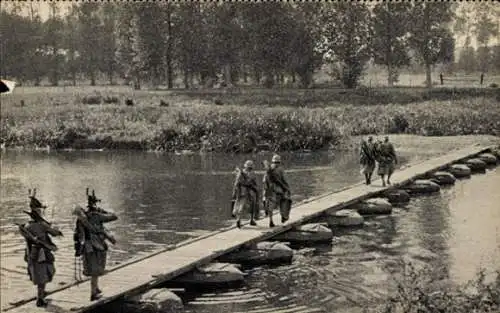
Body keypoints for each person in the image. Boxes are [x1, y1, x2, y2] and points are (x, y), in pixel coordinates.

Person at [20, 189, 62, 307]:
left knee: (40, 274)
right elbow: (54, 233)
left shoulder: (27, 225)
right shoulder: (41, 224)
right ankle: (40, 299)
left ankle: (41, 294)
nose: (41, 212)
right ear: (37, 212)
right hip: (41, 253)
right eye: (40, 211)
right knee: (43, 275)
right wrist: (56, 230)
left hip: (31, 253)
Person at [73, 189, 117, 301]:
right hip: (96, 246)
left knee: (93, 269)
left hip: (86, 247)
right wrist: (102, 210)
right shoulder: (97, 215)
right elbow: (114, 216)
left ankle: (96, 289)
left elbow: (77, 233)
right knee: (95, 270)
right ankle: (93, 294)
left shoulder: (81, 218)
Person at [263, 154, 291, 228]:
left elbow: (264, 180)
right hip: (279, 190)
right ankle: (283, 216)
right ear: (279, 162)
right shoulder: (280, 169)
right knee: (283, 203)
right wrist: (287, 189)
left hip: (269, 190)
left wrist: (265, 189)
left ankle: (271, 220)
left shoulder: (268, 169)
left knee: (270, 206)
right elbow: (284, 180)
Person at [232, 160, 259, 228]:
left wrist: (234, 192)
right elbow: (252, 183)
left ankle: (241, 220)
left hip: (241, 191)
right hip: (246, 191)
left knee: (240, 205)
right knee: (245, 206)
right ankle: (245, 220)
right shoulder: (250, 173)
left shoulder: (241, 173)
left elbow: (236, 183)